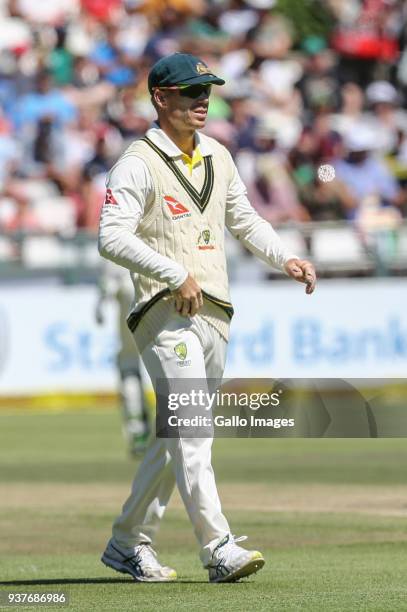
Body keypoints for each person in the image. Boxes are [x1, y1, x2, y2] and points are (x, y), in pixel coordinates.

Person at [98, 52, 316, 584]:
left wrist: (283, 256)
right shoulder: (137, 161)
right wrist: (173, 273)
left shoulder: (217, 153)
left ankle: (127, 542)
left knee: (176, 440)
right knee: (193, 430)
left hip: (215, 309)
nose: (203, 101)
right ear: (160, 98)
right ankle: (218, 548)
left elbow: (243, 216)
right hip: (164, 311)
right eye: (191, 92)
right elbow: (111, 235)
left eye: (207, 91)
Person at [95, 257, 151, 455]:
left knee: (128, 362)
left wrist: (99, 306)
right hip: (158, 294)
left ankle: (137, 429)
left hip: (132, 296)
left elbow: (108, 281)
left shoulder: (113, 226)